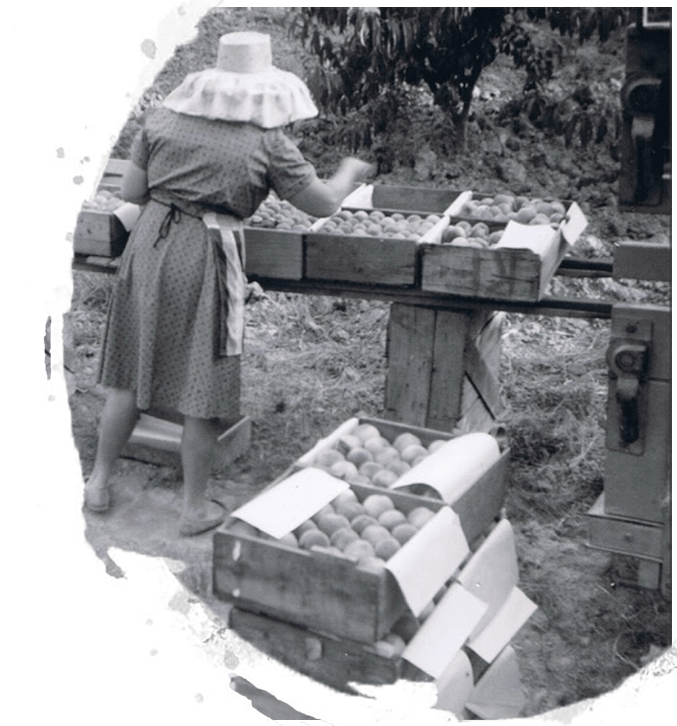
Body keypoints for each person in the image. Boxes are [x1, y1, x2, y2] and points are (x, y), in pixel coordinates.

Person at [83, 31, 372, 535]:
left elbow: (132, 191)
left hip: (150, 243)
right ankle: (193, 508)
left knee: (129, 371)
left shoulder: (162, 119)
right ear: (266, 89)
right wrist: (348, 173)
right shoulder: (268, 143)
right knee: (203, 380)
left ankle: (99, 481)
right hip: (206, 253)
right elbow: (323, 204)